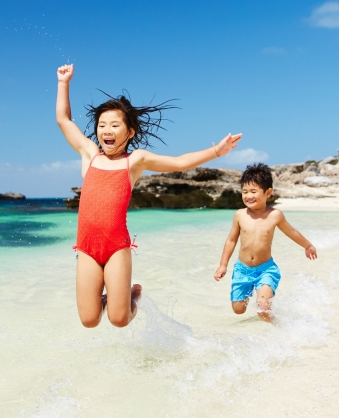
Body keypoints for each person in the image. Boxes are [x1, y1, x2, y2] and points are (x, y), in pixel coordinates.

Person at [56, 64, 242, 328]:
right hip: (87, 248)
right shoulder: (89, 154)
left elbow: (178, 162)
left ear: (130, 132)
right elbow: (64, 120)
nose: (106, 130)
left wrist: (216, 151)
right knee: (89, 320)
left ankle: (132, 296)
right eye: (102, 125)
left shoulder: (135, 161)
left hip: (116, 248)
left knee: (119, 320)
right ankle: (115, 296)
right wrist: (63, 84)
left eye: (115, 125)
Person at [213, 163, 317, 323]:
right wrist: (223, 264)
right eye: (245, 192)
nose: (248, 196)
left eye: (253, 191)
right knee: (238, 310)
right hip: (242, 269)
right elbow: (231, 240)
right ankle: (259, 301)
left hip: (266, 269)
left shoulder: (275, 215)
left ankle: (278, 326)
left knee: (262, 309)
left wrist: (308, 245)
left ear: (268, 193)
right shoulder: (240, 215)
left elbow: (292, 232)